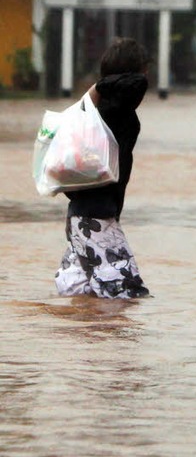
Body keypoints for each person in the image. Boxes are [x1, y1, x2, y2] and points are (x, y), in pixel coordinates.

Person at [55, 37, 150, 299]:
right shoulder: (114, 106)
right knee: (127, 295)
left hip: (81, 218)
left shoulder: (97, 110)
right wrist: (99, 86)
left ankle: (83, 340)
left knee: (81, 294)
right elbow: (137, 83)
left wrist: (95, 90)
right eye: (145, 68)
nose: (147, 76)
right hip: (96, 219)